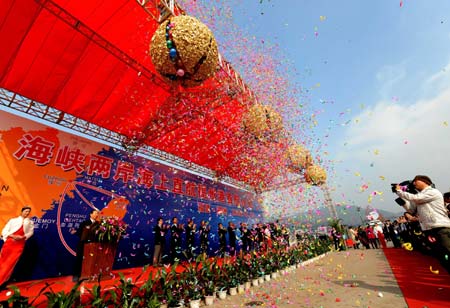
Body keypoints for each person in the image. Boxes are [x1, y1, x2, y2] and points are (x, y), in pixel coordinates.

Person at [396, 175, 450, 273]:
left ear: (424, 181)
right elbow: (411, 209)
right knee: (442, 258)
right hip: (429, 230)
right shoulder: (420, 197)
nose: (413, 184)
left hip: (441, 228)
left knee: (448, 253)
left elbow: (416, 198)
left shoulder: (432, 192)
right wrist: (402, 202)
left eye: (415, 181)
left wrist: (400, 192)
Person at [0, 206, 34, 288]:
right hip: (9, 244)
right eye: (26, 211)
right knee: (2, 262)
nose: (27, 213)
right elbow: (4, 231)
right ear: (21, 212)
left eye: (28, 211)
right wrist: (12, 236)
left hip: (19, 245)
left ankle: (3, 282)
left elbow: (31, 232)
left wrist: (23, 237)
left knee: (11, 264)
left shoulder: (30, 222)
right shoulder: (13, 220)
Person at [72, 209, 99, 282]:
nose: (97, 215)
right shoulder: (84, 223)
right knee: (79, 260)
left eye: (97, 214)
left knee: (91, 261)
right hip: (83, 244)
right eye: (95, 213)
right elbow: (79, 233)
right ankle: (76, 276)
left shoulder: (98, 224)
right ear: (91, 214)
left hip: (93, 245)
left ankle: (89, 275)